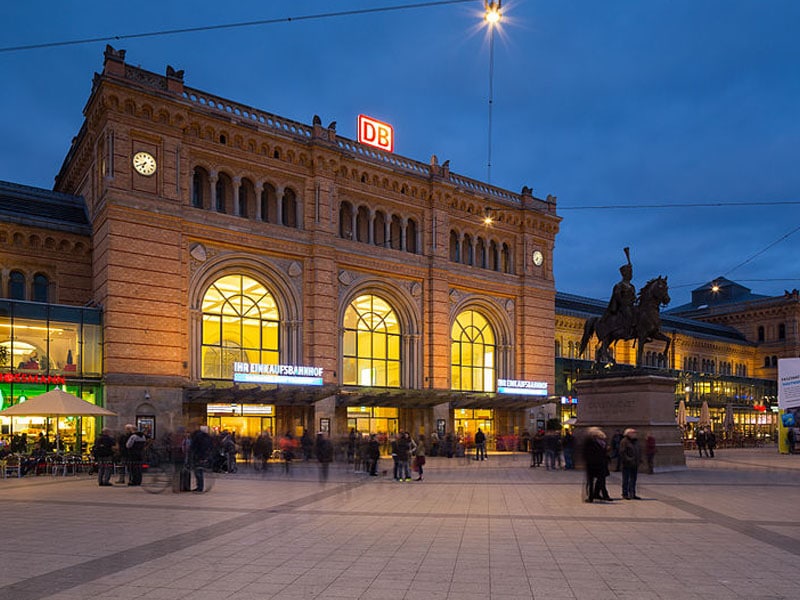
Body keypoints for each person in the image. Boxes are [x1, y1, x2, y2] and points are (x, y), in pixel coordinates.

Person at [606, 247, 636, 339]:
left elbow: (633, 297)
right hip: (622, 307)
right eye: (629, 272)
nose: (631, 274)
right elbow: (617, 297)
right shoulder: (619, 285)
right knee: (629, 314)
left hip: (630, 306)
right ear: (625, 274)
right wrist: (625, 302)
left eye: (631, 272)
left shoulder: (632, 286)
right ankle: (627, 332)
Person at [583, 427, 612, 502]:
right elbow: (586, 453)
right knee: (591, 482)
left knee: (601, 480)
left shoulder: (602, 442)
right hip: (592, 464)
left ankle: (599, 494)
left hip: (601, 463)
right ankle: (591, 497)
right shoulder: (589, 441)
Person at [619, 428, 642, 500]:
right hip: (627, 464)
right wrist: (629, 459)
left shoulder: (636, 441)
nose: (635, 434)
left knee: (633, 479)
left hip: (635, 463)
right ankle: (625, 494)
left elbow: (638, 450)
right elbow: (622, 452)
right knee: (626, 479)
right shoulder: (624, 441)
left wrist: (639, 459)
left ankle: (632, 493)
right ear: (628, 434)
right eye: (633, 433)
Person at [189, 425, 213, 492]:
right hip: (204, 456)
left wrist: (192, 453)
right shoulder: (207, 437)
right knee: (200, 470)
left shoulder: (197, 437)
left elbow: (193, 446)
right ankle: (200, 486)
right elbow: (210, 446)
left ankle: (199, 487)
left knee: (198, 471)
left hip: (198, 455)